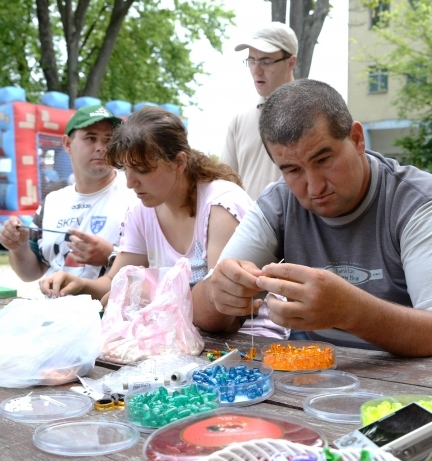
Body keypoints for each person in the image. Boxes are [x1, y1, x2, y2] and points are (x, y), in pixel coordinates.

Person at [193, 79, 432, 362]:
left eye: (323, 160)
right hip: (322, 376)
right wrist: (217, 295)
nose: (314, 186)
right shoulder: (279, 202)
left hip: (428, 383)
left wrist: (351, 312)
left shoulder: (418, 202)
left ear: (357, 139)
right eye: (293, 170)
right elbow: (200, 310)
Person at [39, 108, 282, 337]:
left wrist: (145, 293)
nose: (130, 182)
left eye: (142, 170)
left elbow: (219, 314)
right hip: (180, 338)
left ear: (179, 162)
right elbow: (116, 282)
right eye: (125, 169)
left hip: (251, 343)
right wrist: (80, 284)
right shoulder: (141, 210)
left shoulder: (221, 205)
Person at [0, 105, 134, 282]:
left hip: (108, 309)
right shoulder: (53, 202)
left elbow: (156, 266)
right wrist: (18, 247)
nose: (101, 147)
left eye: (108, 139)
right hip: (54, 308)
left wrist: (110, 255)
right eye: (91, 138)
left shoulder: (136, 194)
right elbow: (30, 274)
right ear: (67, 144)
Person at [221, 22, 298, 200]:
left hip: (296, 226)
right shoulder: (239, 121)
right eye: (251, 60)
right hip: (246, 226)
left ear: (291, 62)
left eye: (266, 61)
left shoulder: (313, 115)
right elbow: (224, 187)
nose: (256, 70)